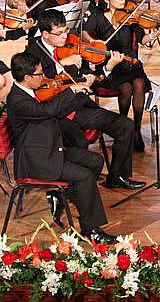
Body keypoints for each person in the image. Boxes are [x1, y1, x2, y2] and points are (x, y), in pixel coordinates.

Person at [22, 13, 145, 191]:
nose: (65, 36)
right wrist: (62, 64)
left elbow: (94, 74)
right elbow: (38, 84)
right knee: (91, 136)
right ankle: (80, 183)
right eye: (59, 33)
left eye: (65, 31)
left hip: (80, 103)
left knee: (126, 126)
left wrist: (107, 68)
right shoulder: (32, 53)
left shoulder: (72, 44)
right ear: (45, 34)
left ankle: (117, 176)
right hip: (59, 111)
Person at [5, 52, 115, 242]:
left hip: (49, 148)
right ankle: (91, 230)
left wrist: (81, 92)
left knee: (95, 160)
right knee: (85, 176)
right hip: (37, 160)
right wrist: (70, 90)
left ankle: (72, 197)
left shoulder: (31, 92)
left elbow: (57, 112)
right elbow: (47, 111)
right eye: (39, 74)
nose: (44, 77)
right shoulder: (17, 99)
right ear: (27, 77)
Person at [83, 0, 155, 146]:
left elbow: (142, 40)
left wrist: (156, 33)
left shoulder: (131, 15)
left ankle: (135, 131)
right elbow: (84, 33)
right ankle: (124, 128)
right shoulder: (98, 16)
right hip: (111, 67)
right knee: (126, 88)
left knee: (138, 85)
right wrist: (95, 43)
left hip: (132, 63)